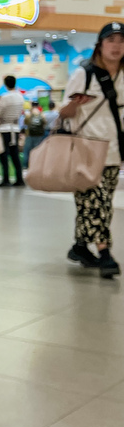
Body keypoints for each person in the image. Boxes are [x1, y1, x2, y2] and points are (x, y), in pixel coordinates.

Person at [62, 21, 124, 279]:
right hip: (87, 147)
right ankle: (105, 252)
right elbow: (63, 112)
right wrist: (76, 104)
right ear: (100, 45)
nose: (116, 46)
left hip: (115, 150)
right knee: (95, 202)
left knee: (101, 203)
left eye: (121, 41)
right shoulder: (84, 74)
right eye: (111, 40)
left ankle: (79, 247)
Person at [0, 75, 25, 187]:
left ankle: (6, 179)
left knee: (3, 154)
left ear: (5, 84)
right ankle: (19, 179)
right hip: (15, 129)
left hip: (4, 128)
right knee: (15, 155)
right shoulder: (20, 97)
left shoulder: (4, 97)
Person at [21, 102, 47, 168]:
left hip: (30, 134)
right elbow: (44, 123)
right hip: (39, 135)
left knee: (27, 150)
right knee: (37, 150)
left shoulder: (29, 114)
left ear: (31, 106)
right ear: (38, 106)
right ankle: (36, 165)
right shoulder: (41, 114)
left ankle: (25, 165)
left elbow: (25, 123)